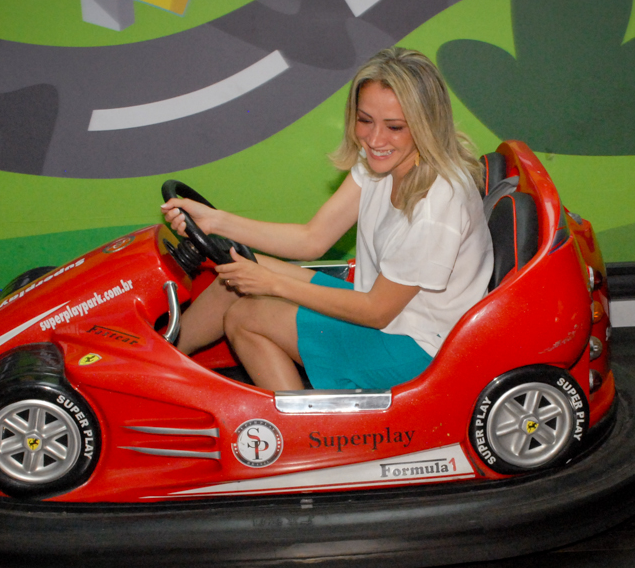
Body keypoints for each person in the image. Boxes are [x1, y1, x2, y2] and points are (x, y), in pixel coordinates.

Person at [160, 47, 492, 392]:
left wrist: (271, 283)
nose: (375, 139)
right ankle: (158, 369)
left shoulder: (439, 204)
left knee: (246, 316)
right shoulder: (381, 162)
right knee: (233, 273)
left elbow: (377, 311)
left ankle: (301, 437)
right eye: (365, 121)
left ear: (427, 125)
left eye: (395, 127)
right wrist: (215, 222)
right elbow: (312, 238)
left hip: (422, 347)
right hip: (389, 315)